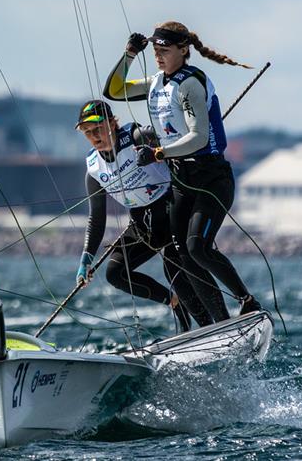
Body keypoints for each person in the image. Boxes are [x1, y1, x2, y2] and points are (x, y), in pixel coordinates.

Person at [103, 21, 261, 322]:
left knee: (197, 248)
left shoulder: (190, 83)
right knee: (178, 257)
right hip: (181, 180)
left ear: (183, 50)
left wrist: (160, 152)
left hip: (211, 178)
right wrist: (129, 55)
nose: (159, 56)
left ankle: (247, 300)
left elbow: (199, 137)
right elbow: (114, 91)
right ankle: (217, 325)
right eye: (155, 51)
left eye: (164, 51)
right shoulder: (155, 83)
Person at [74, 99, 214, 331]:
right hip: (143, 225)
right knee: (115, 273)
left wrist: (158, 152)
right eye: (87, 132)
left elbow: (176, 143)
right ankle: (174, 302)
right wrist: (86, 257)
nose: (94, 136)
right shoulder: (93, 169)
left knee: (174, 272)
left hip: (172, 213)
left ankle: (209, 328)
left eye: (98, 128)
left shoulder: (139, 136)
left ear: (112, 122)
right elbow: (97, 218)